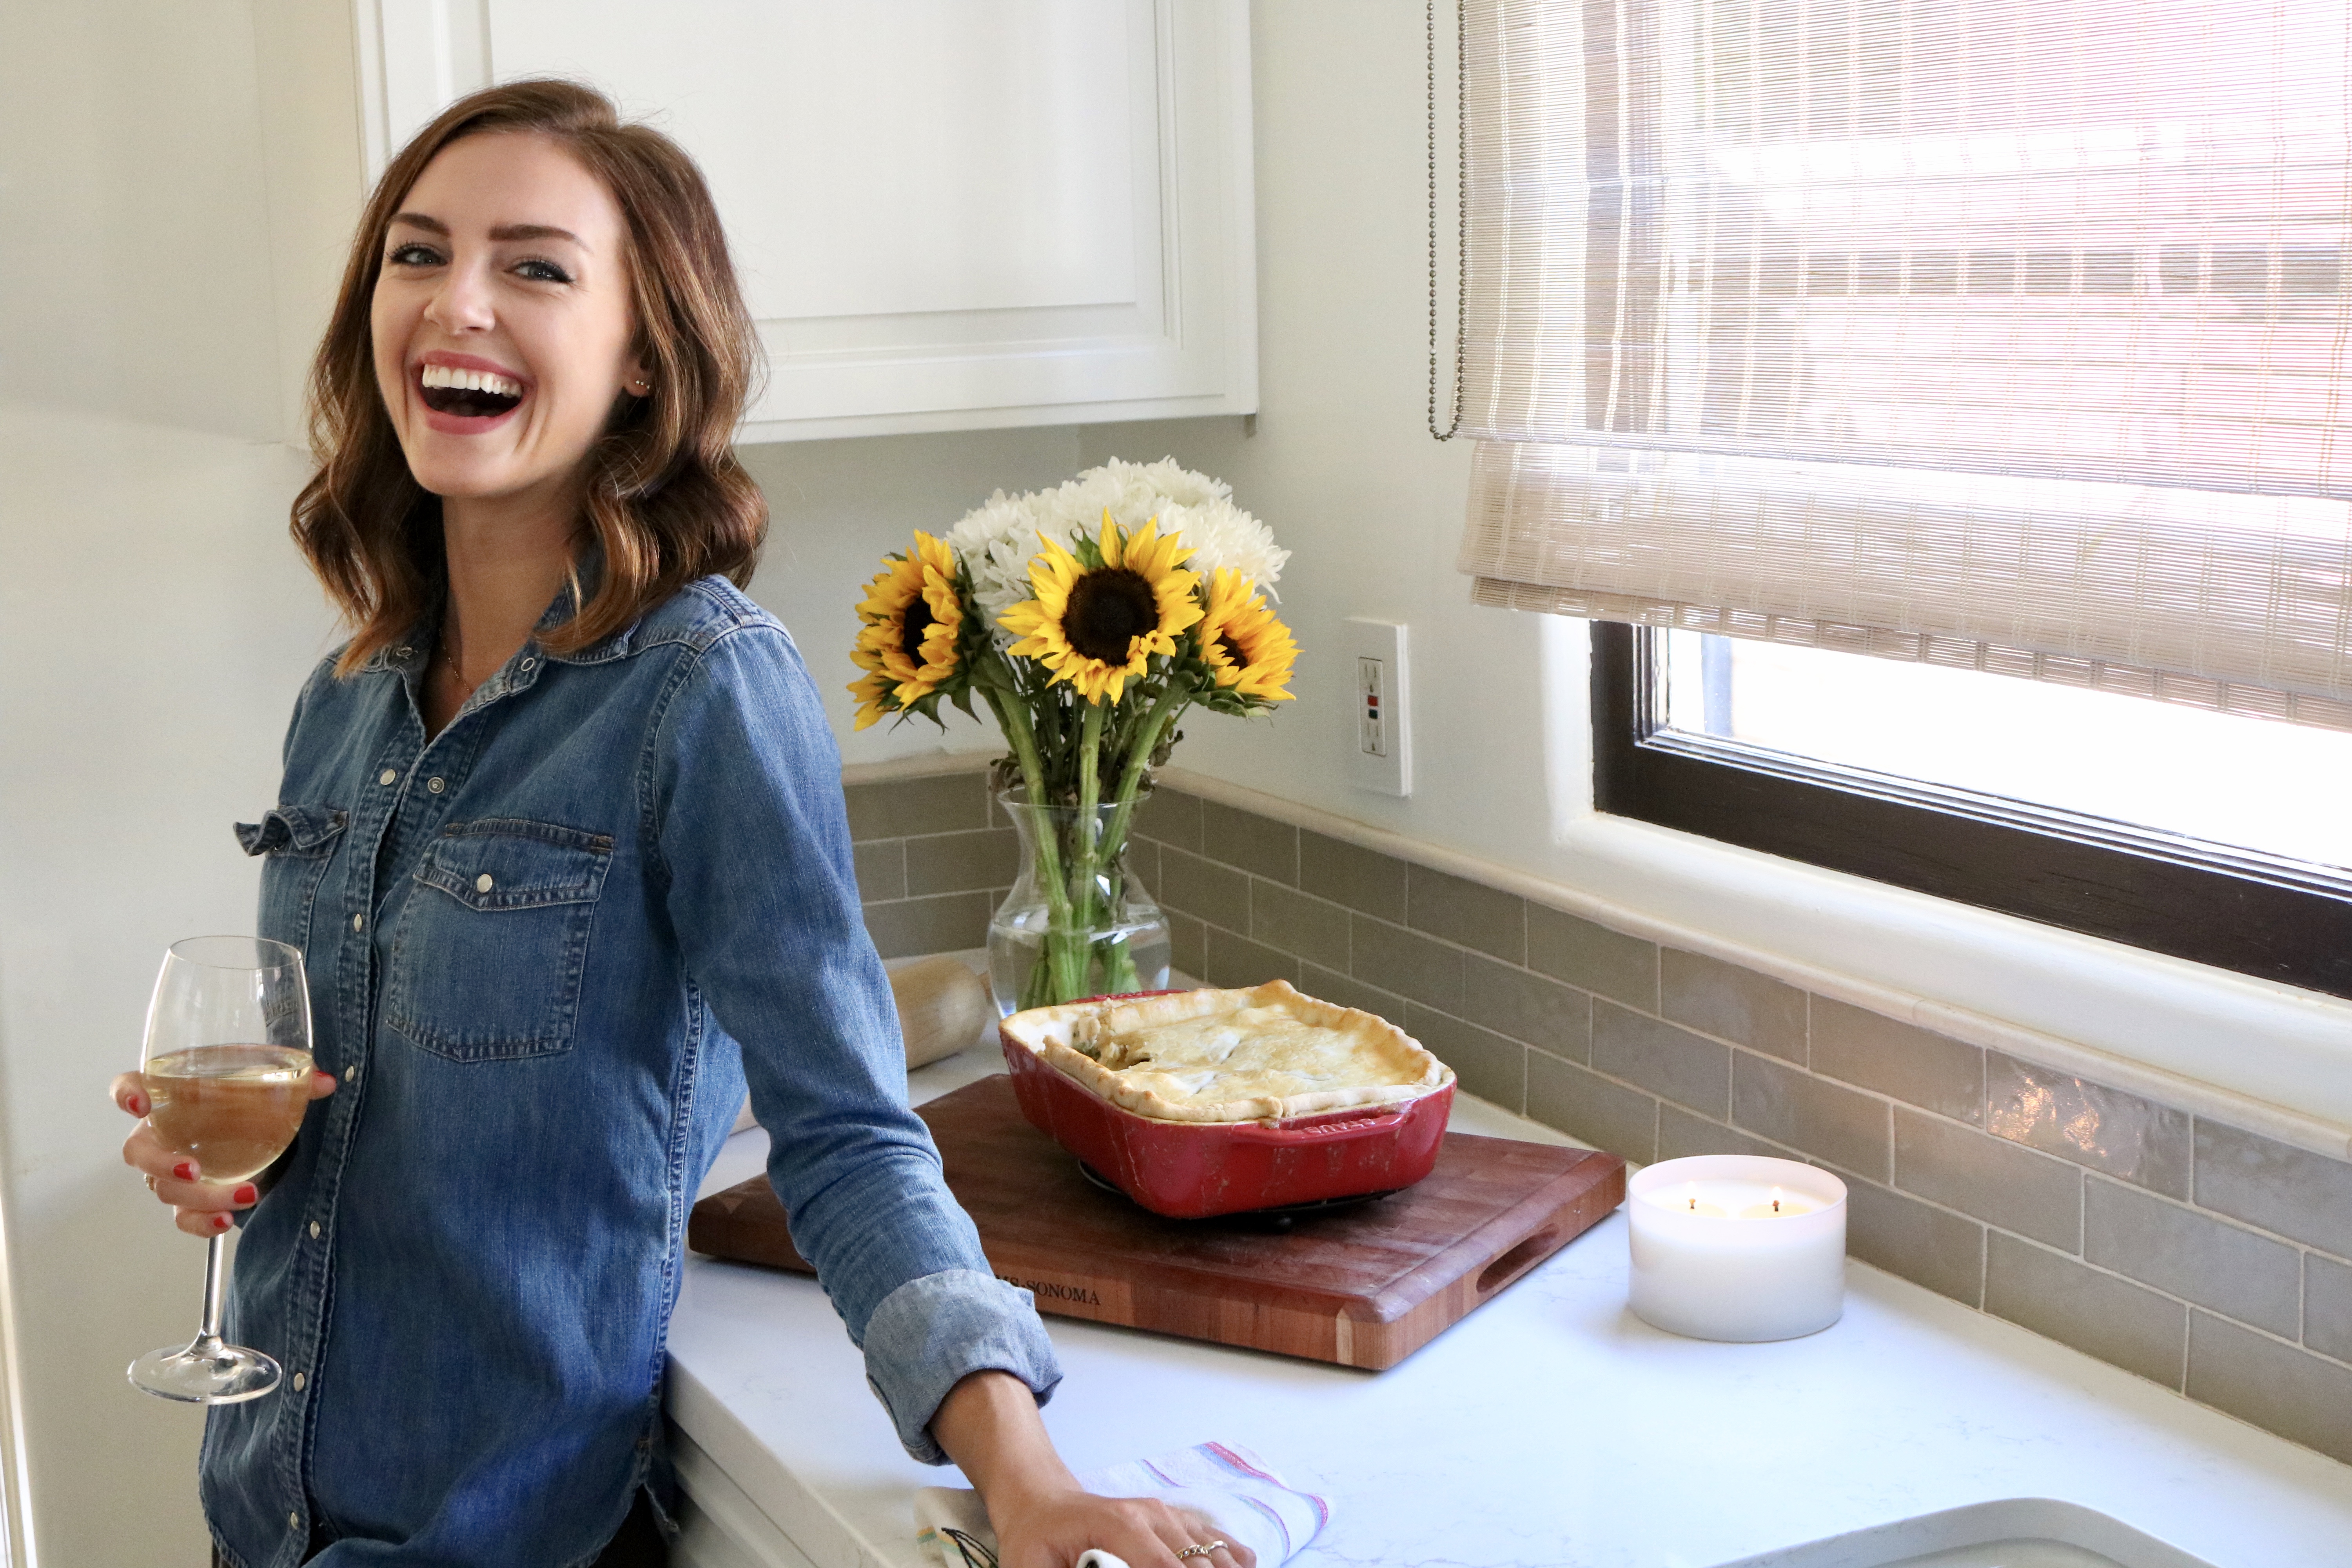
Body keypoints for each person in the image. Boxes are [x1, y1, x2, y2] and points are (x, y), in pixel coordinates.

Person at [110, 79, 1254, 1568]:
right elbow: (341, 1105)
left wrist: (1027, 1477)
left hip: (515, 1536)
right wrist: (229, 1169)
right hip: (265, 1517)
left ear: (643, 356)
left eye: (535, 266)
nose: (458, 302)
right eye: (417, 253)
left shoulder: (703, 690)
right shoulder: (349, 693)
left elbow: (848, 1132)